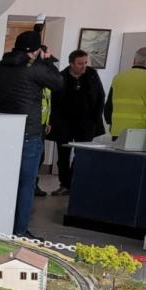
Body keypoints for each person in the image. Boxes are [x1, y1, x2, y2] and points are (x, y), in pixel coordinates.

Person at [0, 30, 63, 238]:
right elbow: (58, 83)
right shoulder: (34, 69)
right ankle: (20, 230)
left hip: (3, 130)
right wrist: (47, 62)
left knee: (4, 181)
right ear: (33, 51)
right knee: (25, 184)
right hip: (28, 133)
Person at [47, 49, 105, 194]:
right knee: (63, 156)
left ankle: (74, 183)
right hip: (64, 123)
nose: (84, 66)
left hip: (86, 123)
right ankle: (65, 184)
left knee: (82, 154)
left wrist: (95, 119)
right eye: (80, 63)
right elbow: (53, 102)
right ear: (71, 64)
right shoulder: (61, 77)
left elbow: (100, 96)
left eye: (85, 62)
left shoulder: (92, 75)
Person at [105, 47, 146, 139]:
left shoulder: (118, 78)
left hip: (117, 131)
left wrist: (111, 122)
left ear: (134, 60)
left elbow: (108, 106)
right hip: (142, 133)